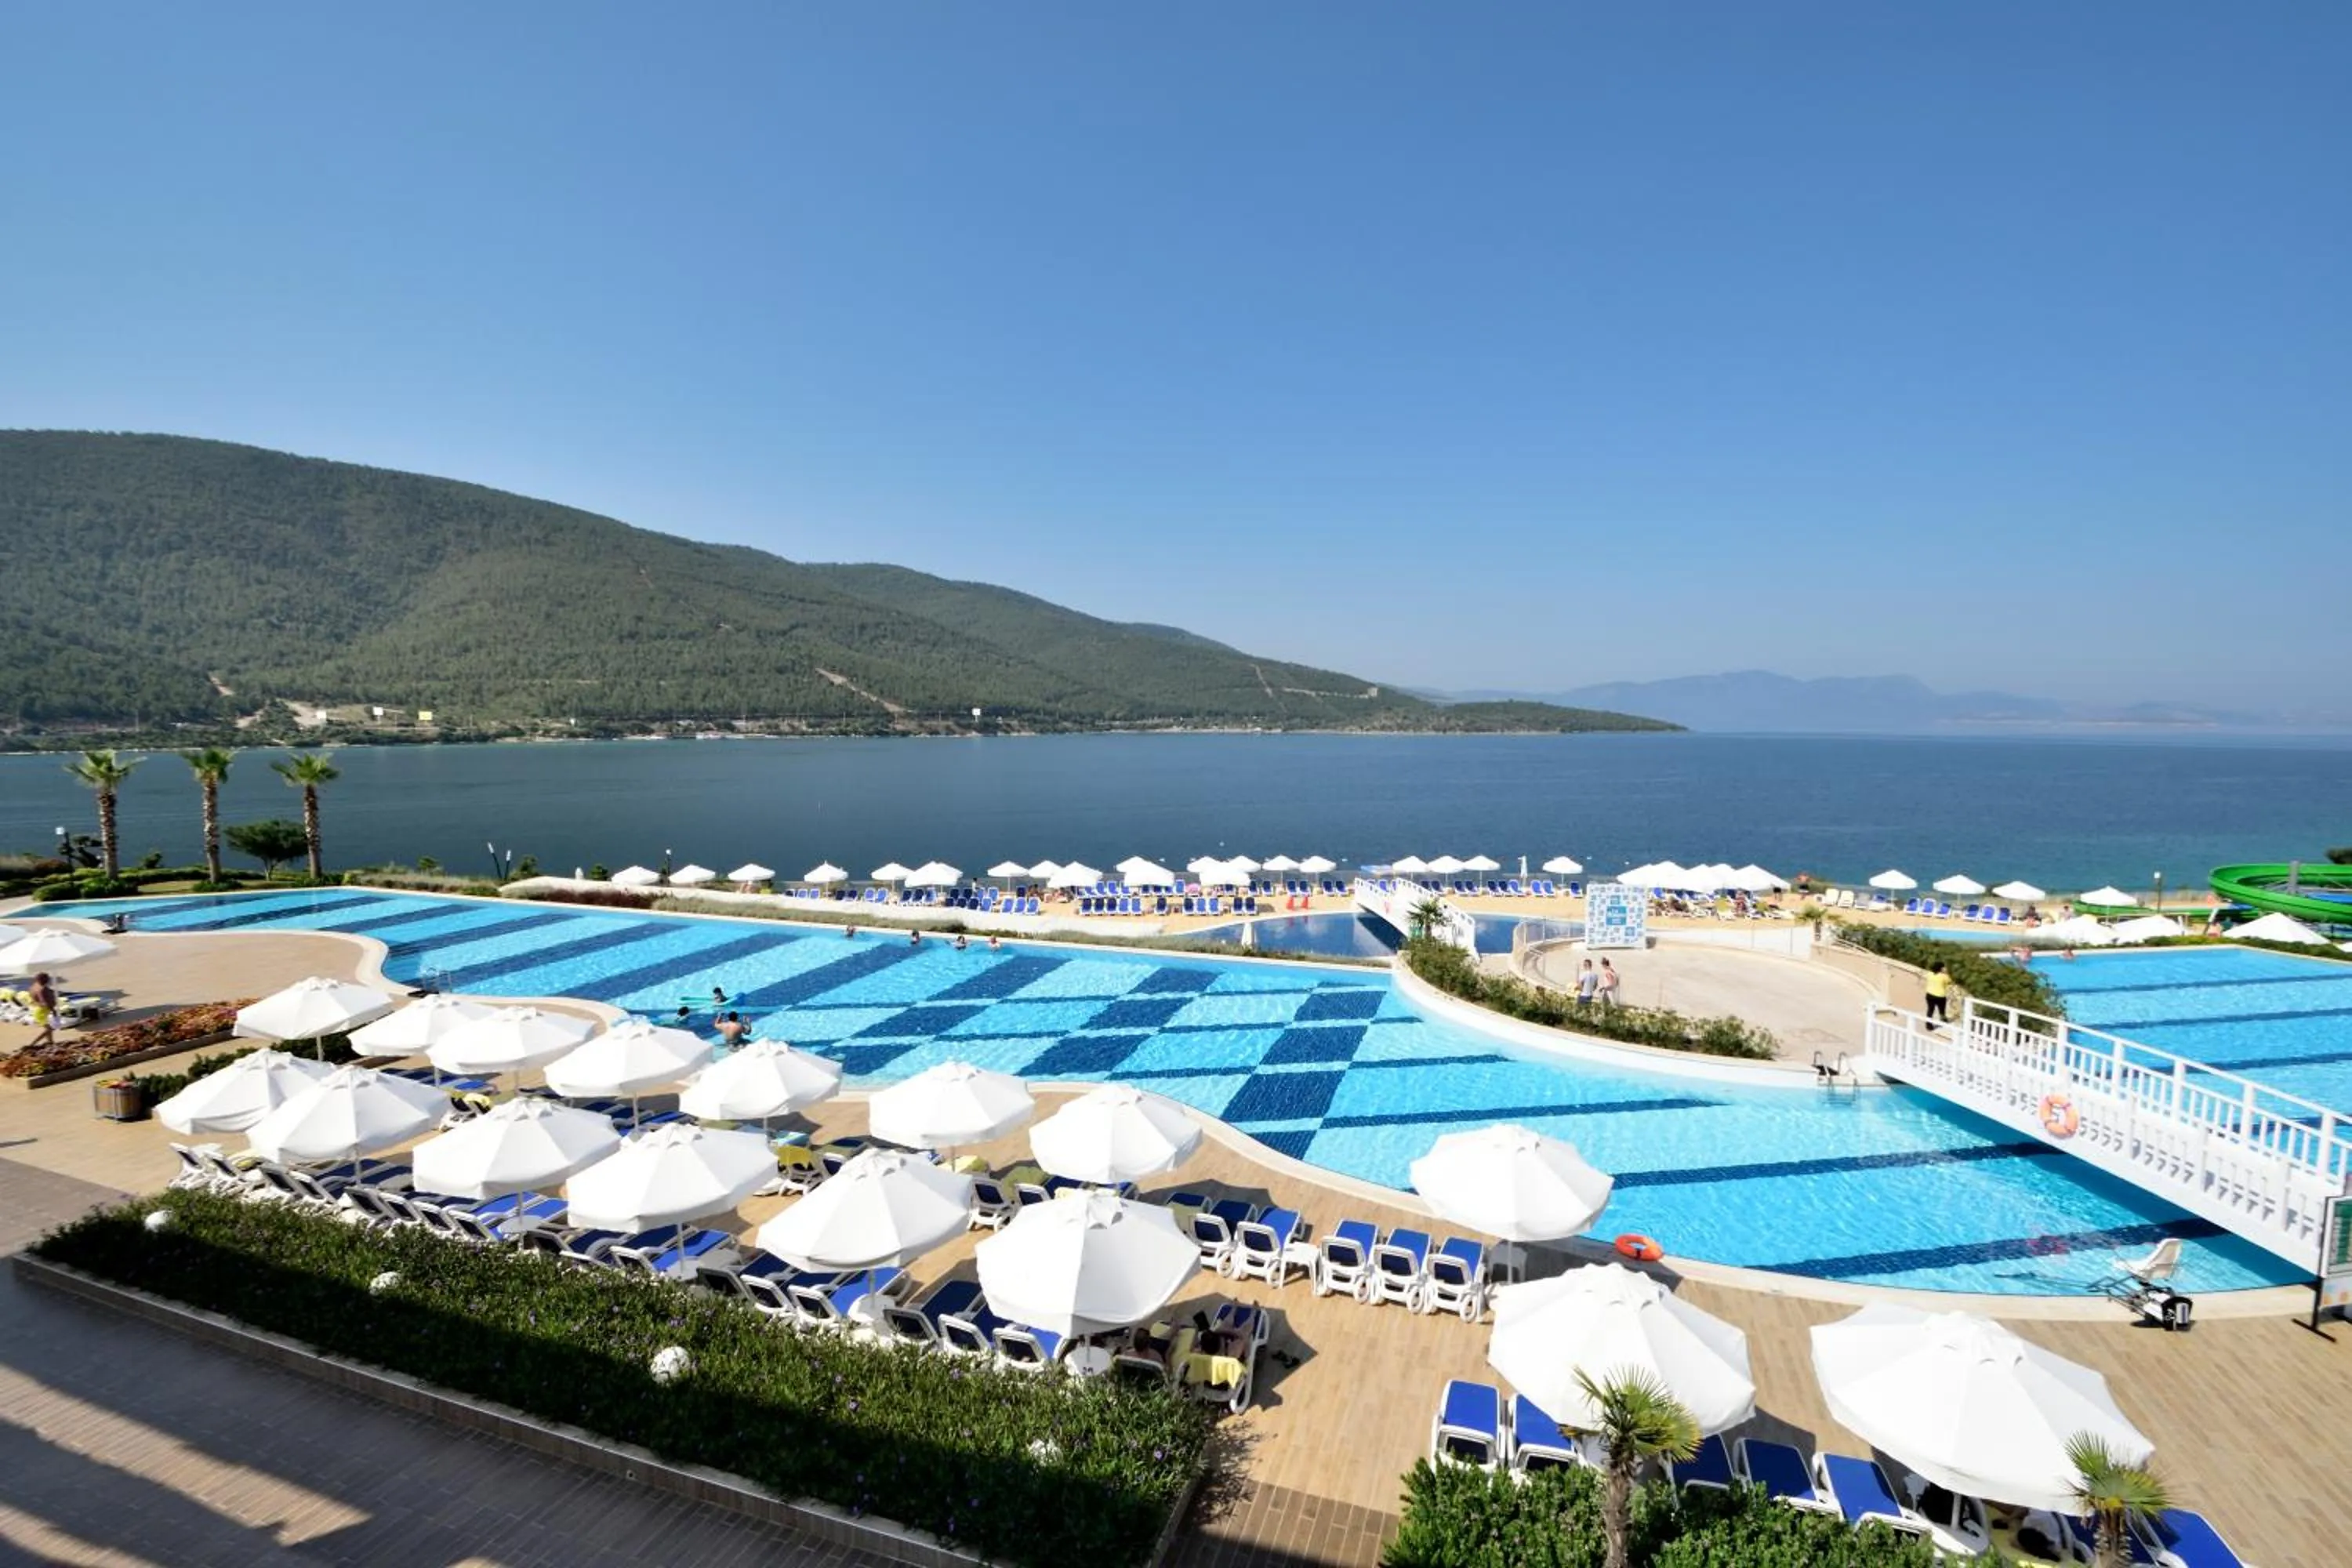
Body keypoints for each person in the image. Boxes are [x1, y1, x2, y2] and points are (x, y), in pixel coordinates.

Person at [27, 972, 58, 1050]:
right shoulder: (42, 989)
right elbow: (45, 1002)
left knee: (49, 1028)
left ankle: (51, 1042)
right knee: (50, 1029)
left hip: (39, 1010)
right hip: (42, 1011)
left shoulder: (34, 987)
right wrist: (53, 1010)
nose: (48, 980)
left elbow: (32, 998)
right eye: (47, 979)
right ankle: (32, 1044)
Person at [1923, 962, 1951, 1026]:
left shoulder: (1930, 974)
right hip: (1940, 996)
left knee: (1930, 1010)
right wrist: (1946, 973)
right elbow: (1949, 982)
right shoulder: (1944, 976)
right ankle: (1943, 1020)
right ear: (1941, 968)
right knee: (1942, 1010)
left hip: (1929, 995)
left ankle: (1928, 1025)